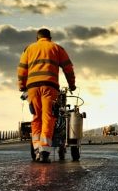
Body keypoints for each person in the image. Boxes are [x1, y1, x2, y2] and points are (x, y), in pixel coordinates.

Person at [18, 28, 76, 163]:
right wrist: (72, 85)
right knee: (48, 117)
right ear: (50, 38)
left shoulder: (29, 49)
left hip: (32, 88)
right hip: (49, 87)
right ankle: (44, 151)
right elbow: (68, 68)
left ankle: (37, 149)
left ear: (37, 38)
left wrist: (22, 86)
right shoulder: (57, 48)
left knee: (36, 117)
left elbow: (21, 69)